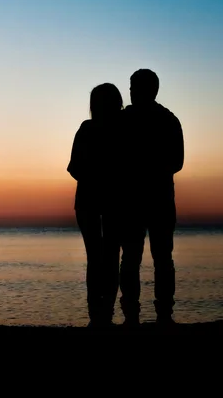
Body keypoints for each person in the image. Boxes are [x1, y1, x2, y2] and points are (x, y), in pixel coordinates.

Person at [119, 69, 184, 326]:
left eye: (135, 87)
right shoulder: (164, 120)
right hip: (146, 199)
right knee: (142, 257)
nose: (132, 92)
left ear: (151, 90)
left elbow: (176, 162)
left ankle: (158, 314)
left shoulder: (166, 120)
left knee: (153, 257)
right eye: (131, 87)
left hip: (151, 199)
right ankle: (142, 314)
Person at [67, 83, 124, 327]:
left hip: (93, 200)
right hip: (110, 201)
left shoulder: (88, 129)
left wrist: (92, 175)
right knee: (110, 257)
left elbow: (74, 168)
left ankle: (97, 315)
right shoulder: (123, 130)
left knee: (97, 258)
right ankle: (105, 313)